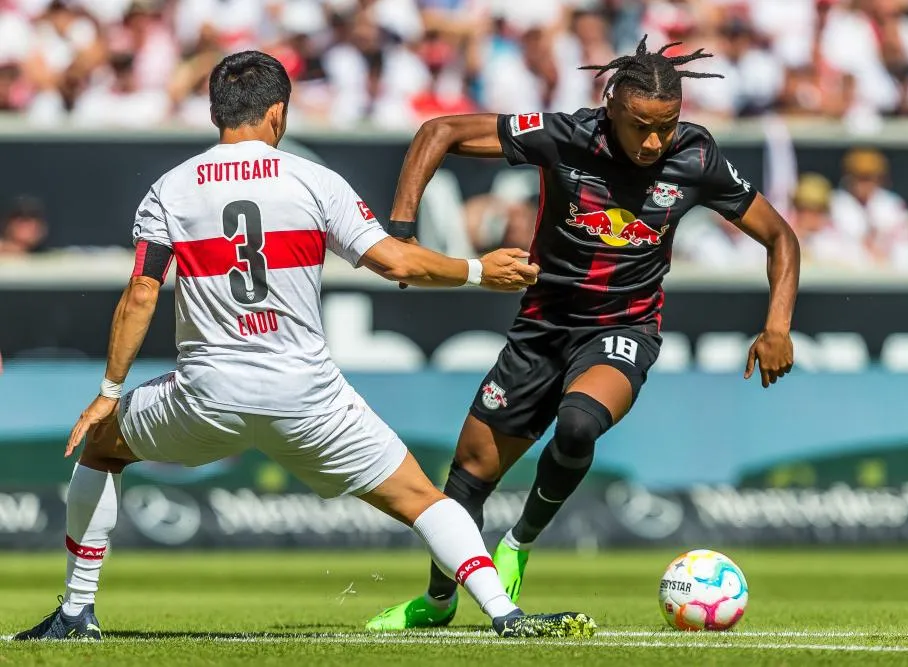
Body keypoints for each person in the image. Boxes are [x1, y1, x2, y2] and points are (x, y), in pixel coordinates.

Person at [14, 50, 595, 642]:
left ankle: (76, 613)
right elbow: (395, 262)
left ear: (215, 112)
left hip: (207, 394)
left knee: (102, 449)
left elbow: (141, 293)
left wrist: (109, 391)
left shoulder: (171, 189)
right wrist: (477, 270)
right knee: (424, 499)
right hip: (308, 397)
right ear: (278, 112)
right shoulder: (313, 180)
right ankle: (505, 614)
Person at [367, 36, 800, 631]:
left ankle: (518, 544)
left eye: (666, 126)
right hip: (541, 329)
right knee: (468, 479)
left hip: (624, 326)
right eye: (641, 126)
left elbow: (780, 237)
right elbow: (438, 131)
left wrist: (777, 326)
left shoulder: (697, 156)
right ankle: (437, 603)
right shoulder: (568, 136)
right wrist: (400, 234)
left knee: (577, 424)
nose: (654, 142)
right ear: (612, 107)